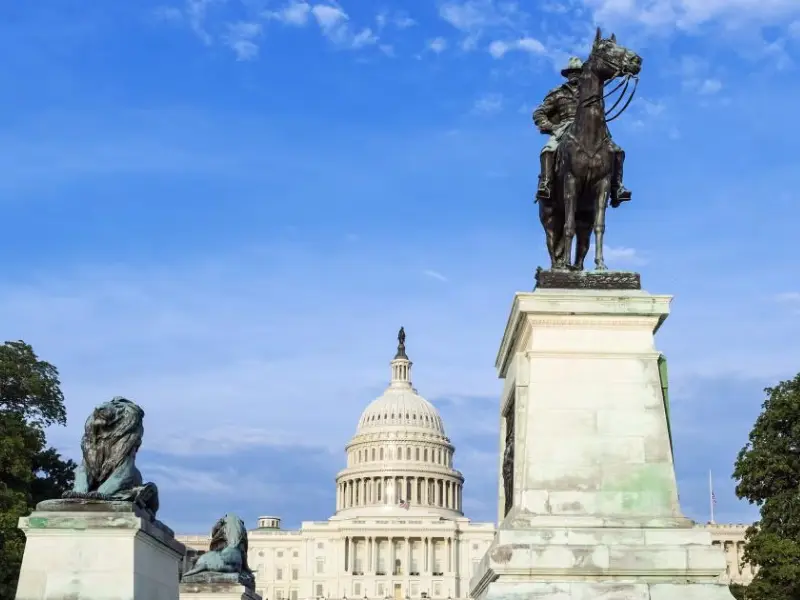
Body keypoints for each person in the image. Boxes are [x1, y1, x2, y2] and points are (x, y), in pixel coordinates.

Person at [532, 56, 631, 206]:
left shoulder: (591, 92)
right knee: (548, 149)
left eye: (577, 72)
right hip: (564, 127)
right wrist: (551, 127)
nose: (574, 75)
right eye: (571, 72)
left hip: (592, 128)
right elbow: (539, 113)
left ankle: (617, 187)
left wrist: (623, 70)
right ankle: (546, 183)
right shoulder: (557, 93)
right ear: (567, 75)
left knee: (617, 150)